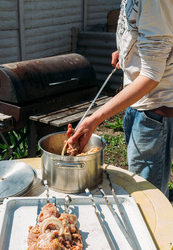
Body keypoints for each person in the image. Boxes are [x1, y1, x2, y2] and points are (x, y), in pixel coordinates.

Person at [68, 0, 173, 198]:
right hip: (136, 101)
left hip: (153, 108)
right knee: (139, 182)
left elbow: (151, 76)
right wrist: (126, 53)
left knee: (148, 197)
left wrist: (95, 119)